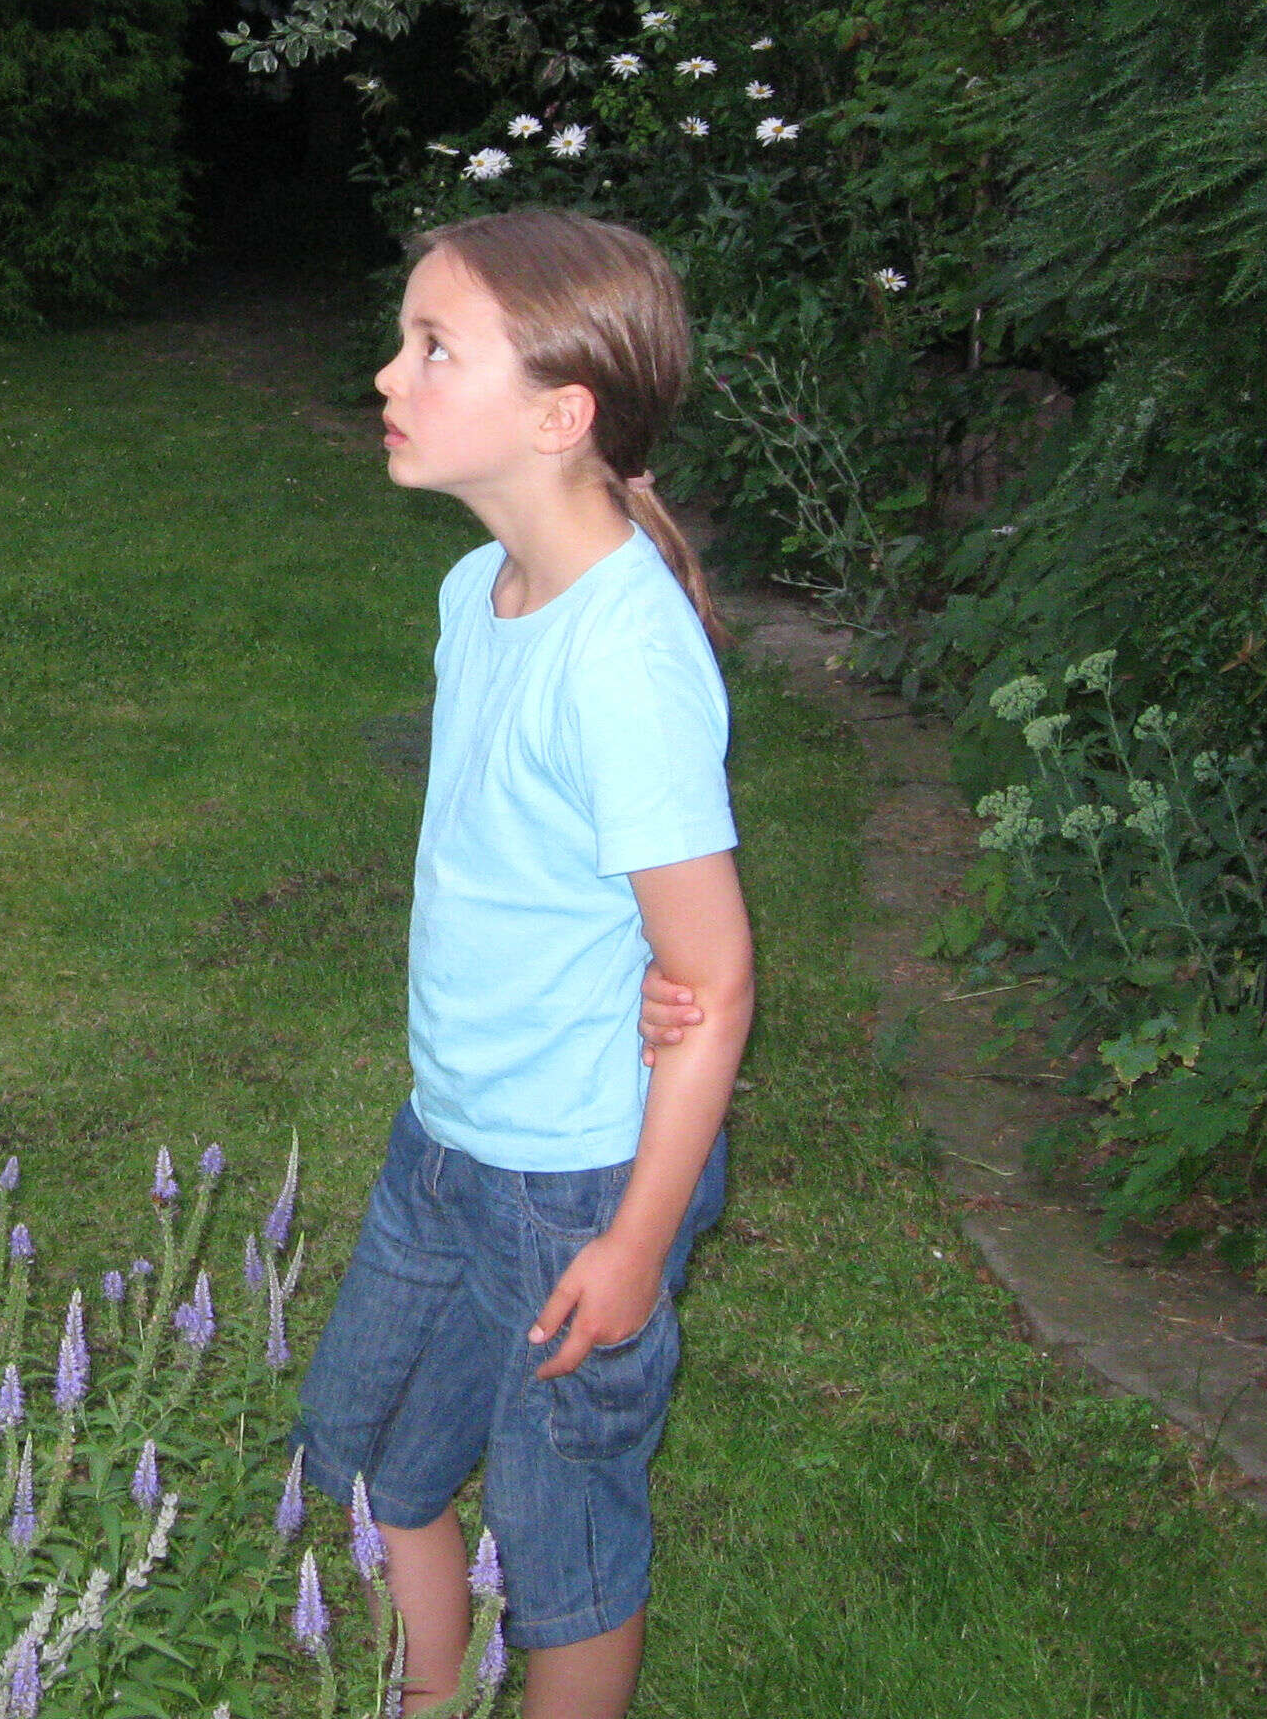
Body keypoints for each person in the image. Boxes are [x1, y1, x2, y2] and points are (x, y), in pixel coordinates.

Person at [293, 208, 755, 1719]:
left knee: (559, 1549)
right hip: (448, 1139)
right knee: (363, 1464)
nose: (391, 370)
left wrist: (634, 1243)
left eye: (435, 348)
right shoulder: (475, 598)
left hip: (577, 1186)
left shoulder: (621, 659)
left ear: (561, 417)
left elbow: (716, 980)